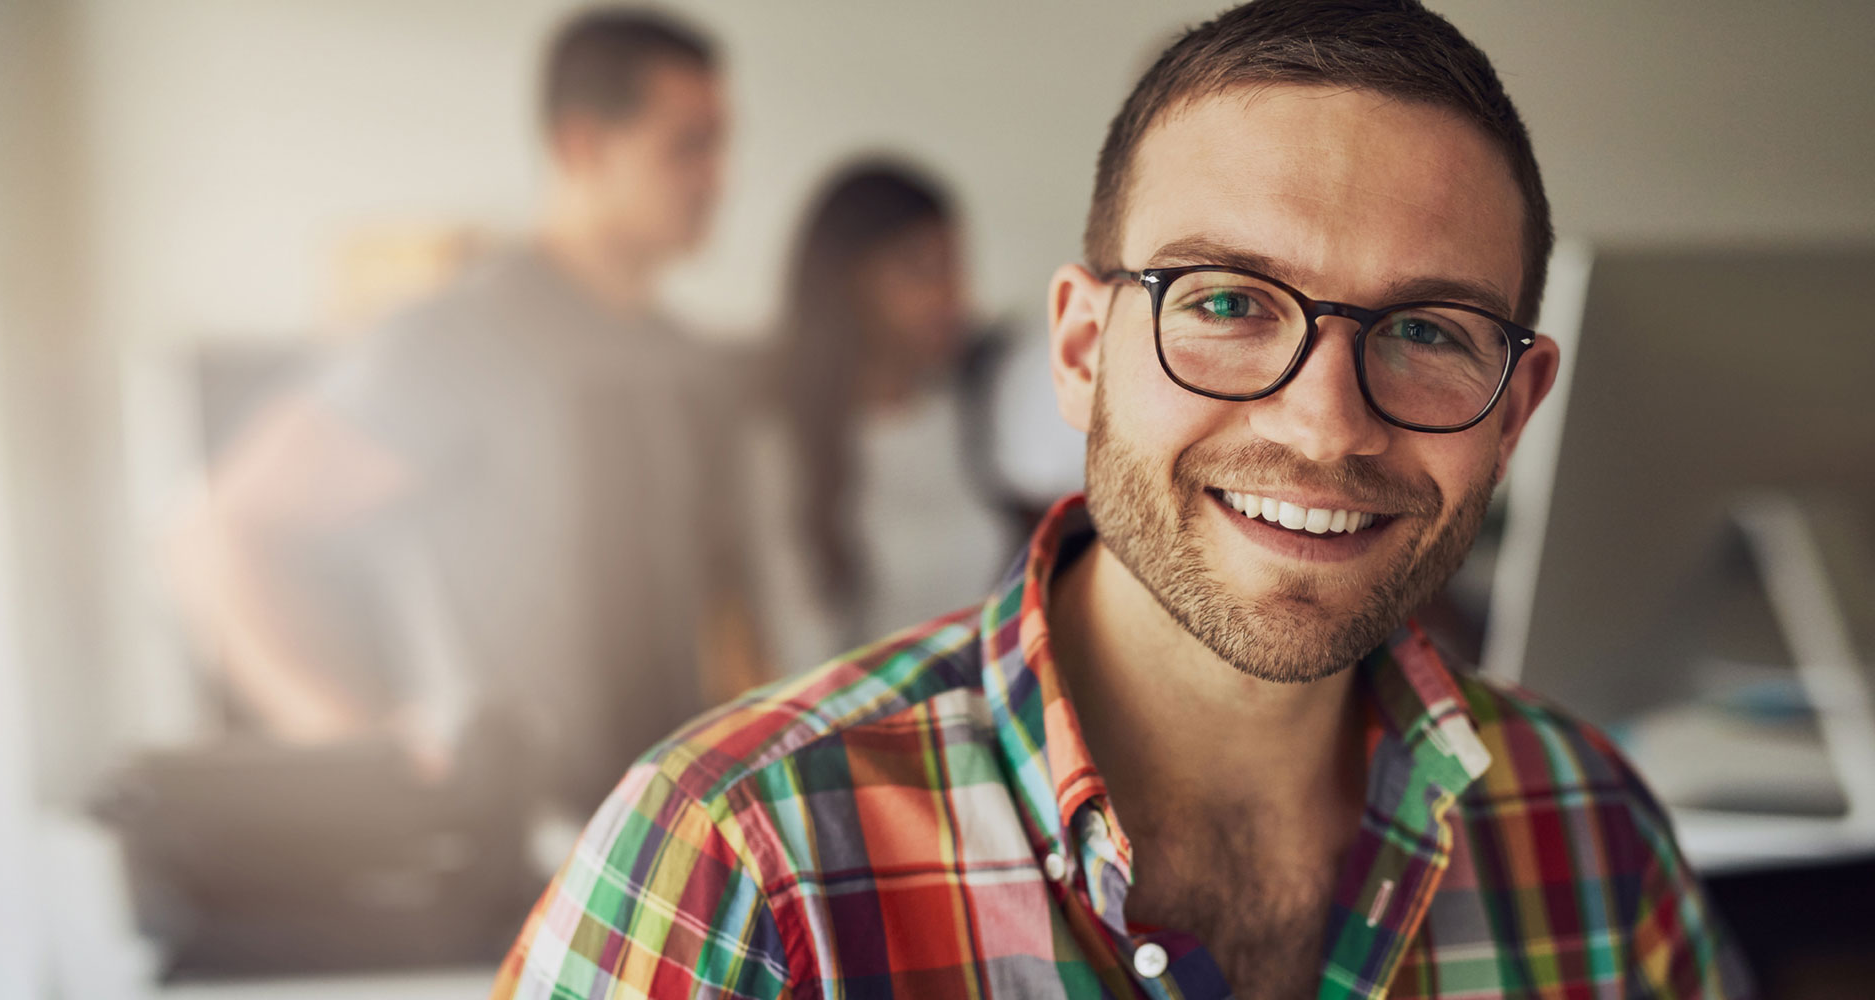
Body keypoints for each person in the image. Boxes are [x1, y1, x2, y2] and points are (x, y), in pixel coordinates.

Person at [492, 1, 1753, 997]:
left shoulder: (1589, 831)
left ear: (1516, 407)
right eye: (1226, 303)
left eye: (1426, 329)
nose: (1324, 422)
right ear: (1082, 350)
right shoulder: (740, 860)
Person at [173, 6, 757, 816]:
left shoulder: (682, 360)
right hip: (509, 842)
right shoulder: (452, 341)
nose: (717, 178)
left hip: (662, 832)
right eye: (688, 146)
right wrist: (362, 746)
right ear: (581, 145)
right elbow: (217, 533)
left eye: (721, 145)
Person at [749, 160, 1021, 674]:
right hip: (866, 737)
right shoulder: (785, 447)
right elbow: (797, 650)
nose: (952, 297)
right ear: (850, 284)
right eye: (922, 270)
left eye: (955, 267)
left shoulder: (974, 408)